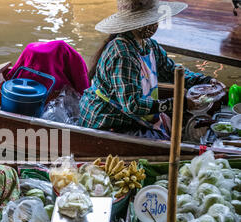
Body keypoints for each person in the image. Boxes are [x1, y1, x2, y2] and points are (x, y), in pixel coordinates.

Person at [79, 0, 225, 139]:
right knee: (164, 141)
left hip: (132, 115)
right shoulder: (122, 54)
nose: (153, 25)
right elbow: (132, 105)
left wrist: (206, 81)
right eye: (147, 21)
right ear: (132, 24)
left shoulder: (149, 45)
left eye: (153, 20)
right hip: (109, 121)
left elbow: (172, 71)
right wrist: (179, 103)